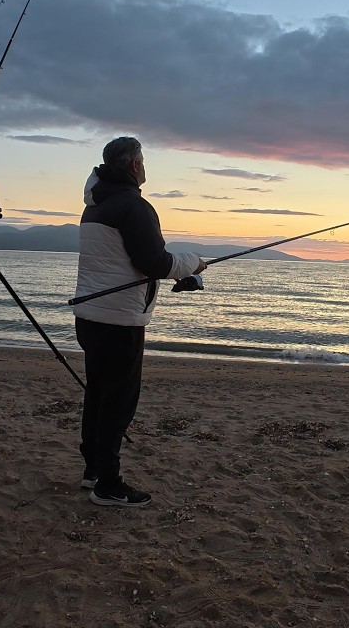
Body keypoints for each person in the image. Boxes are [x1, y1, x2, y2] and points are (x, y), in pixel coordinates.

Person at [72, 136, 206, 507]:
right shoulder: (134, 206)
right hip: (119, 321)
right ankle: (108, 484)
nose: (144, 167)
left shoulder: (95, 207)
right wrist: (193, 262)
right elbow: (155, 263)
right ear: (133, 165)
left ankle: (93, 471)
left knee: (98, 394)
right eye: (143, 160)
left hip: (91, 317)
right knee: (117, 402)